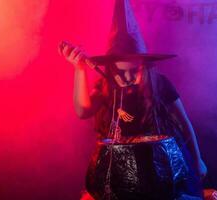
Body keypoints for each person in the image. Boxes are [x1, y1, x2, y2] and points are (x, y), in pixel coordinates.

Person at [59, 0, 207, 199]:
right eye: (120, 72)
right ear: (110, 69)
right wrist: (79, 69)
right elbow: (82, 111)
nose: (127, 78)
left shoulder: (159, 85)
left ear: (144, 67)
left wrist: (197, 160)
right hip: (116, 178)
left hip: (158, 173)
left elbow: (184, 124)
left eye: (134, 71)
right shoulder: (105, 88)